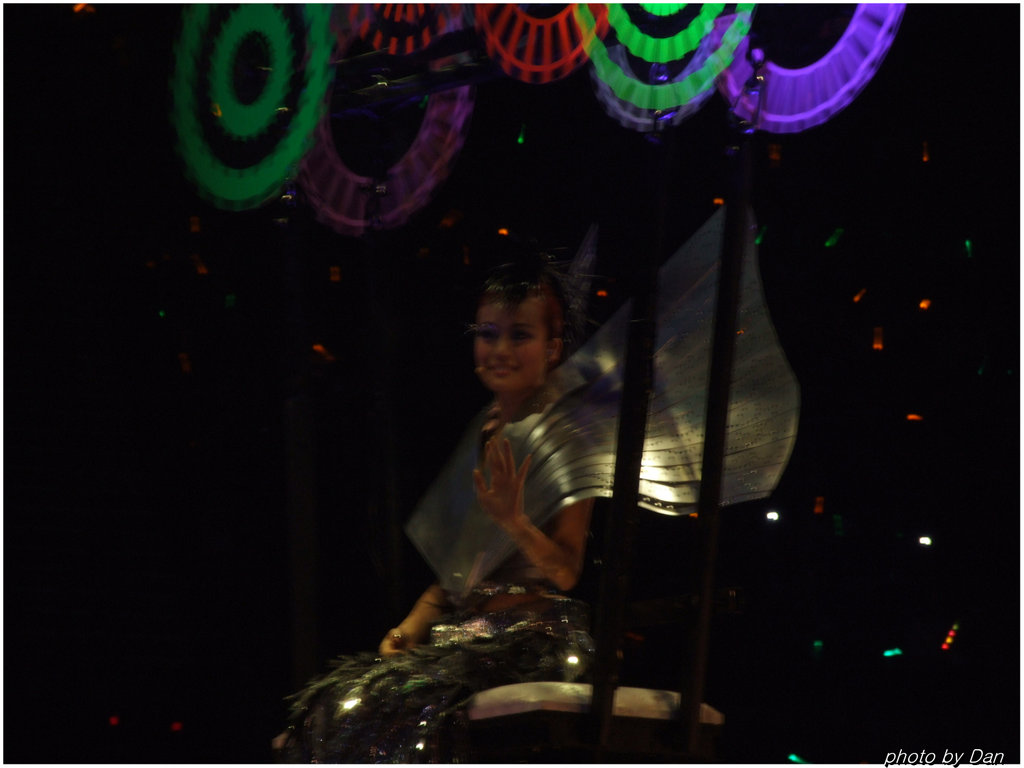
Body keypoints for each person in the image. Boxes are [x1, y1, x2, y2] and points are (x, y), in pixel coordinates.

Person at [274, 255, 597, 763]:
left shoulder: (569, 437)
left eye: (519, 335)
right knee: (331, 706)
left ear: (552, 348)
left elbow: (567, 571)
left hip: (532, 640)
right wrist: (408, 628)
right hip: (465, 637)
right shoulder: (483, 429)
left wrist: (515, 522)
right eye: (488, 334)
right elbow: (456, 573)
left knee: (396, 712)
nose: (500, 350)